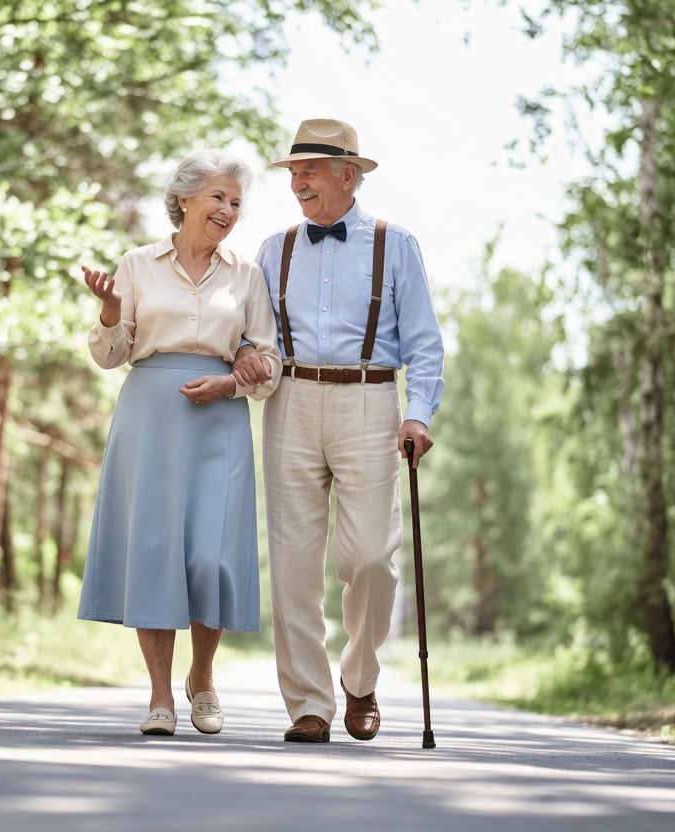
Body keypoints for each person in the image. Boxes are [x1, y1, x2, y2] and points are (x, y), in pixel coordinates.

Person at [233, 118, 445, 743]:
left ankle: (360, 677)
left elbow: (426, 345)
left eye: (309, 170)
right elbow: (257, 332)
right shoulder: (275, 249)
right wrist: (246, 352)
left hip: (371, 402)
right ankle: (309, 705)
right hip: (291, 400)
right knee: (294, 563)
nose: (296, 182)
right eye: (293, 172)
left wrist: (419, 412)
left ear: (348, 175)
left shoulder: (395, 244)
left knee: (371, 558)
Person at [78, 149, 282, 737]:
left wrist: (234, 379)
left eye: (236, 202)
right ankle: (160, 696)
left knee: (210, 557)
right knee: (155, 550)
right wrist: (112, 311)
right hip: (151, 414)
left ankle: (204, 678)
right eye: (217, 197)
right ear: (185, 199)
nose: (227, 210)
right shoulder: (138, 264)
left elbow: (269, 363)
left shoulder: (246, 274)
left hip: (218, 417)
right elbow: (110, 355)